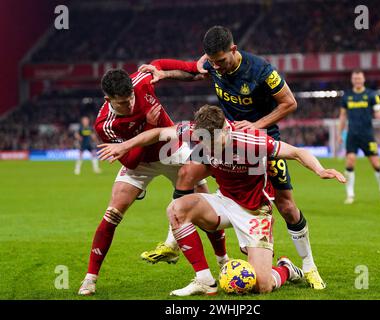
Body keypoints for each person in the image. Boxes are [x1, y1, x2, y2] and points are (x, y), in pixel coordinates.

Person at [139, 25, 327, 289]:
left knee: (286, 206)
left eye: (222, 61)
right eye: (213, 63)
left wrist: (257, 125)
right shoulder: (214, 64)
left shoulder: (262, 71)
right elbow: (193, 73)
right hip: (221, 139)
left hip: (259, 141)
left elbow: (290, 103)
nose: (218, 67)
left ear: (234, 50)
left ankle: (307, 266)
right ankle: (174, 241)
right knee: (186, 172)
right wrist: (164, 73)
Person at [97, 105, 346, 296]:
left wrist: (320, 170)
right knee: (176, 209)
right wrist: (124, 146)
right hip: (223, 201)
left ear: (226, 129)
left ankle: (287, 269)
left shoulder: (251, 140)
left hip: (254, 211)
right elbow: (159, 133)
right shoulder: (195, 132)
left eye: (215, 143)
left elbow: (296, 152)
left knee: (262, 286)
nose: (211, 150)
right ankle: (205, 280)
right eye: (206, 143)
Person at [78, 68, 227, 296]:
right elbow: (129, 160)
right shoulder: (103, 125)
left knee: (202, 206)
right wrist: (149, 125)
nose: (128, 106)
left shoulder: (139, 82)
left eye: (130, 100)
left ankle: (223, 262)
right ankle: (90, 278)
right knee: (112, 213)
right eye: (121, 104)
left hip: (172, 151)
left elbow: (159, 65)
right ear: (108, 100)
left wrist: (193, 68)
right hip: (138, 163)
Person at [337, 69, 380, 204]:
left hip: (367, 135)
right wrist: (339, 133)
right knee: (349, 162)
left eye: (359, 78)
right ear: (352, 80)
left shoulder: (371, 95)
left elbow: (379, 110)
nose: (357, 80)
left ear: (363, 79)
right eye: (355, 78)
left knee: (376, 164)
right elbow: (343, 116)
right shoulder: (347, 96)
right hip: (352, 135)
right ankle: (350, 194)